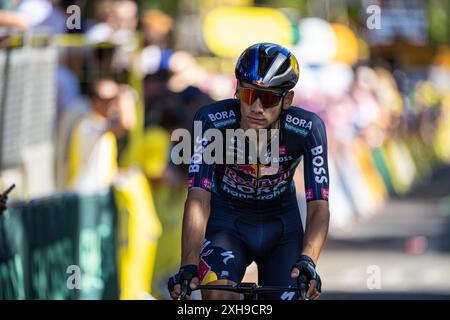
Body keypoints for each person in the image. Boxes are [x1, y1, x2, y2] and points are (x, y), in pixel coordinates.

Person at [168, 43, 330, 300]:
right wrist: (188, 264)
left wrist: (308, 261)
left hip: (282, 229)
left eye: (267, 99)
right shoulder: (212, 121)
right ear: (236, 90)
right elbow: (198, 197)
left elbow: (319, 203)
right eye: (247, 95)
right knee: (217, 294)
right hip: (227, 225)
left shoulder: (308, 128)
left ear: (287, 99)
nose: (256, 107)